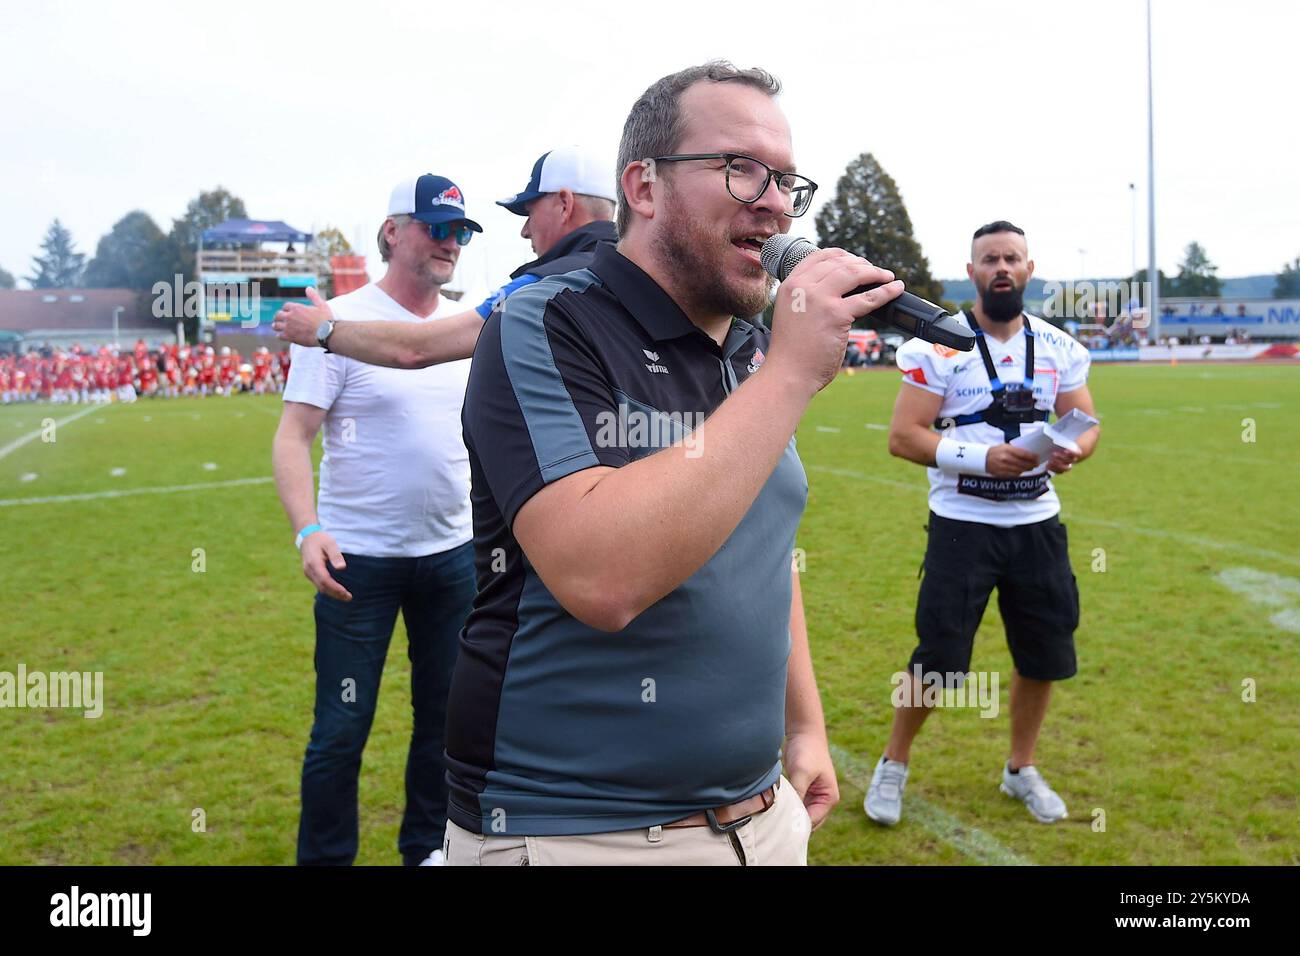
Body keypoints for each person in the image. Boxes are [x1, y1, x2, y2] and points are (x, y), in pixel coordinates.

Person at [441, 61, 904, 866]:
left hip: (762, 817)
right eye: (740, 168)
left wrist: (806, 725)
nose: (777, 201)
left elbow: (762, 549)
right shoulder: (545, 322)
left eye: (788, 179)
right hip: (579, 833)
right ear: (644, 187)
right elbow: (602, 578)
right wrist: (791, 376)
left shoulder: (753, 347)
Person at [271, 173, 481, 866]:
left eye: (459, 230)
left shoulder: (461, 327)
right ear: (394, 231)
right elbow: (293, 435)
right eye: (435, 227)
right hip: (355, 561)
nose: (450, 241)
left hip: (451, 558)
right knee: (340, 728)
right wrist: (308, 529)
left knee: (444, 724)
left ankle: (427, 850)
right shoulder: (338, 319)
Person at [866, 220, 1100, 827]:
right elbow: (903, 437)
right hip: (962, 524)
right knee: (939, 657)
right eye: (989, 258)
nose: (1001, 267)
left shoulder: (1058, 346)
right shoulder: (938, 345)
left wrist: (1077, 448)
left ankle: (1020, 768)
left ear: (1028, 269)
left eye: (1012, 258)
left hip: (1037, 524)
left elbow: (1086, 423)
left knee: (1045, 654)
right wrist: (981, 458)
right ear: (971, 273)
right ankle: (893, 763)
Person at [270, 145, 617, 369]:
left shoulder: (542, 287)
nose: (525, 230)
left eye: (528, 212)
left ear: (565, 204)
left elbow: (417, 349)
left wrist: (324, 331)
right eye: (438, 229)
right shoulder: (639, 268)